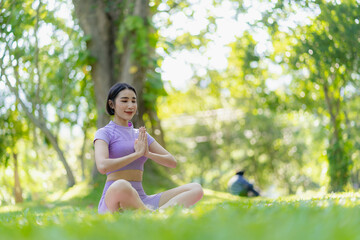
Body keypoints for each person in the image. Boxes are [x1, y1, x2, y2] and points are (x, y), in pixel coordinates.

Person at [94, 83, 203, 213]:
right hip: (116, 197)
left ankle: (152, 214)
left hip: (142, 199)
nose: (130, 105)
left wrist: (147, 153)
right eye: (124, 101)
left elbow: (172, 162)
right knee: (121, 184)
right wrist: (136, 155)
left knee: (196, 188)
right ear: (112, 104)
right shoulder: (104, 133)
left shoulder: (140, 135)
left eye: (133, 101)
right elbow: (102, 166)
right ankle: (154, 214)